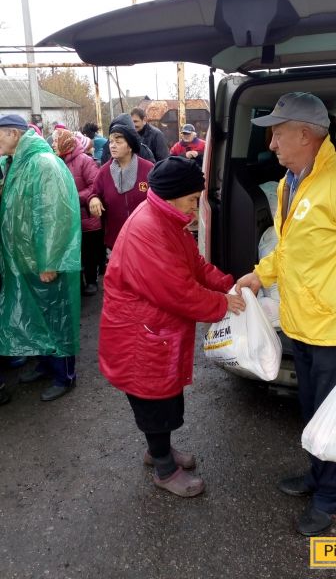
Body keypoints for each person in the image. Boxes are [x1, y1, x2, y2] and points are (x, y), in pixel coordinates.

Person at [235, 92, 336, 536]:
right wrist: (260, 274)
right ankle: (318, 474)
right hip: (302, 322)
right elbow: (290, 247)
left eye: (278, 133)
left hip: (335, 329)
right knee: (311, 409)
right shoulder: (291, 181)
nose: (271, 143)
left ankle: (334, 497)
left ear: (305, 135)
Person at [99, 156, 245, 497]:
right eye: (193, 199)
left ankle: (159, 451)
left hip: (155, 331)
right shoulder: (149, 230)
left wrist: (228, 285)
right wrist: (223, 304)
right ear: (173, 195)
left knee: (163, 397)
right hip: (139, 335)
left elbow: (194, 265)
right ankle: (164, 469)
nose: (196, 206)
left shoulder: (166, 219)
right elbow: (178, 291)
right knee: (154, 402)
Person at [0, 114, 81, 402]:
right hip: (25, 258)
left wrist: (50, 261)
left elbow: (55, 216)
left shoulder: (43, 164)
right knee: (39, 315)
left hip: (44, 261)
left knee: (57, 316)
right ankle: (46, 365)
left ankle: (65, 376)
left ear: (13, 134)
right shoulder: (16, 163)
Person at [88, 119, 154, 250]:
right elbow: (94, 193)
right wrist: (93, 199)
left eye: (118, 142)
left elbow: (160, 198)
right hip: (115, 241)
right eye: (111, 142)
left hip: (145, 240)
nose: (112, 146)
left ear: (130, 146)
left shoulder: (148, 169)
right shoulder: (104, 172)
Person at [53, 129, 103, 296]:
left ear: (66, 142)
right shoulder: (55, 162)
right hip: (68, 218)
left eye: (56, 141)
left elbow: (94, 186)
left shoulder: (84, 161)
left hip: (86, 217)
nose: (53, 144)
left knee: (89, 252)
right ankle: (78, 283)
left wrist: (72, 197)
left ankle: (91, 281)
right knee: (75, 252)